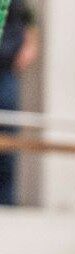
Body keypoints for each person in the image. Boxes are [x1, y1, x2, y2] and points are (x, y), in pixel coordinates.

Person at [0, 0, 39, 207]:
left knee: (7, 143)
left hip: (6, 71)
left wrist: (30, 46)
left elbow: (29, 17)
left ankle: (6, 203)